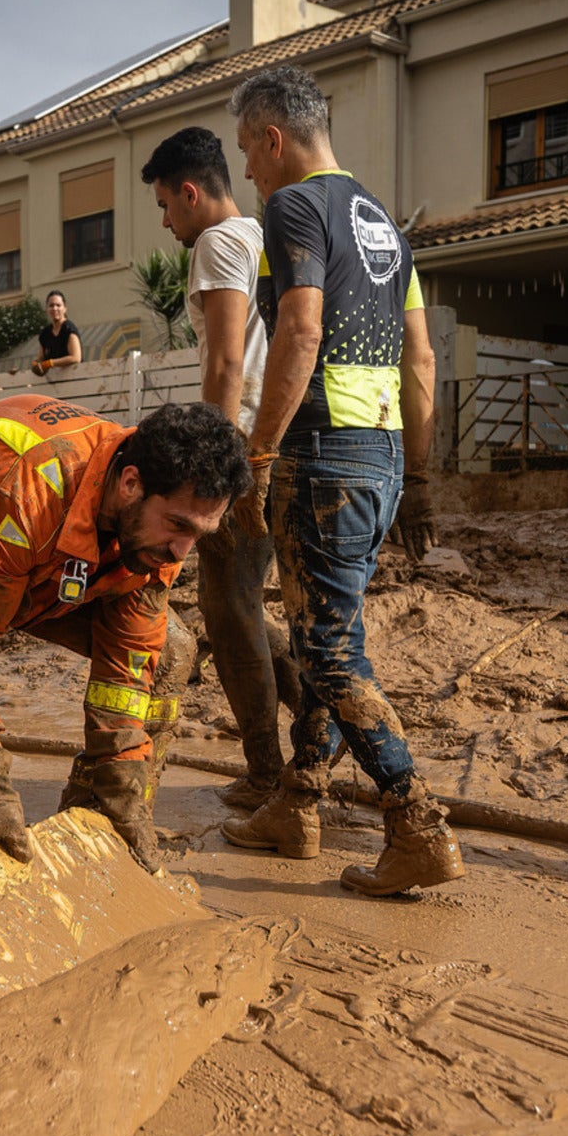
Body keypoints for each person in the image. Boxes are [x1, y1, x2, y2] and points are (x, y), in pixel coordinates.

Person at [221, 64, 463, 898]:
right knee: (329, 625)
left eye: (248, 150)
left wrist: (257, 454)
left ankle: (415, 820)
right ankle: (302, 801)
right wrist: (421, 476)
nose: (247, 169)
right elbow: (422, 358)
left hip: (321, 451)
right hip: (383, 455)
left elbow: (300, 327)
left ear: (273, 137)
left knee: (327, 651)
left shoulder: (292, 207)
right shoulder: (386, 228)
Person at [0, 396, 247, 872]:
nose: (182, 551)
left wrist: (124, 791)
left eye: (199, 534)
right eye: (178, 526)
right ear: (130, 484)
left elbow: (128, 667)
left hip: (40, 564)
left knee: (168, 650)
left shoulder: (159, 525)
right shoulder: (26, 492)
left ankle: (96, 815)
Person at [143, 125, 293, 811]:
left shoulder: (218, 241)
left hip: (243, 447)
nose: (166, 222)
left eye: (166, 206)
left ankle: (269, 771)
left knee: (228, 608)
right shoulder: (268, 235)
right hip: (282, 439)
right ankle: (325, 718)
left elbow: (226, 361)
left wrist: (215, 463)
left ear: (191, 191)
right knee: (249, 601)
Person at [33, 291, 81, 377]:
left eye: (58, 305)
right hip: (52, 382)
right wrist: (36, 363)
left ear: (65, 308)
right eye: (51, 305)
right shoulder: (45, 333)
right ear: (47, 309)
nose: (55, 308)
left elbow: (76, 357)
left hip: (74, 378)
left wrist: (50, 363)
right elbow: (41, 357)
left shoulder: (69, 328)